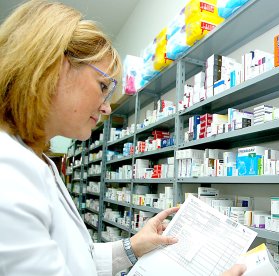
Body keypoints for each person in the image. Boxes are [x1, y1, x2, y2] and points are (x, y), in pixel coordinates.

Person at [0, 1, 247, 275]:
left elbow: (78, 259)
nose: (106, 107)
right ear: (52, 68)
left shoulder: (38, 162)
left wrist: (134, 246)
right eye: (103, 86)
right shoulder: (8, 171)